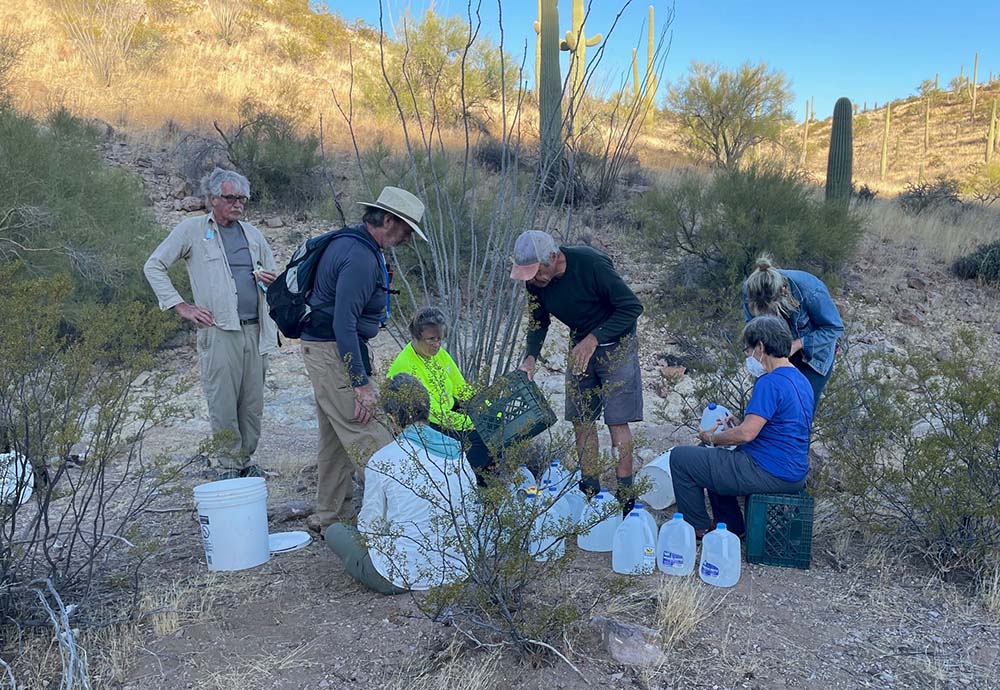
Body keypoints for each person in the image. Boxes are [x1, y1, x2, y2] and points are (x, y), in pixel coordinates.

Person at [300, 187, 427, 533]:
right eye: (405, 231)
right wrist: (360, 383)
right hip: (333, 352)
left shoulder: (352, 244)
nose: (407, 240)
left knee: (335, 437)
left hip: (326, 350)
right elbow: (344, 322)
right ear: (387, 221)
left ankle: (330, 515)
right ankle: (405, 517)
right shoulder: (359, 257)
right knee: (367, 432)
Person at [144, 168, 278, 479]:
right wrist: (181, 306)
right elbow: (154, 265)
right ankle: (229, 466)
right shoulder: (192, 230)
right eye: (231, 198)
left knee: (252, 403)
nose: (238, 205)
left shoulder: (253, 235)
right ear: (212, 199)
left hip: (256, 330)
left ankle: (246, 462)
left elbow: (274, 278)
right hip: (219, 331)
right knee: (223, 400)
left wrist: (271, 281)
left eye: (242, 199)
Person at [510, 230, 644, 510]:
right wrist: (530, 357)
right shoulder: (535, 284)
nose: (533, 280)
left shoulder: (591, 264)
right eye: (528, 275)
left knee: (617, 420)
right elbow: (538, 322)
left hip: (616, 344)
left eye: (535, 272)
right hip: (581, 344)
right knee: (581, 418)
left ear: (553, 258)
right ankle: (590, 490)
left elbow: (631, 307)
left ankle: (626, 495)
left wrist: (594, 339)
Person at [325, 373, 477, 594]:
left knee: (336, 532)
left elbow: (370, 526)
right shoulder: (457, 451)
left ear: (393, 419)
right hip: (460, 568)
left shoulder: (382, 459)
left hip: (399, 577)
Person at [669, 316, 814, 537]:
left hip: (769, 471)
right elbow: (782, 426)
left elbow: (746, 434)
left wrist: (711, 438)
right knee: (714, 458)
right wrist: (738, 425)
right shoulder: (801, 379)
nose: (748, 357)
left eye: (748, 350)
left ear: (761, 347)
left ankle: (696, 528)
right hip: (793, 471)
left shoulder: (769, 382)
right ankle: (730, 526)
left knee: (681, 458)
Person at [386, 307, 494, 482]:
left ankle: (487, 484)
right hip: (427, 421)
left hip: (450, 411)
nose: (436, 344)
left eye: (439, 339)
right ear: (416, 337)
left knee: (496, 428)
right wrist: (471, 423)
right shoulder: (406, 365)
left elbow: (461, 388)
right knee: (482, 438)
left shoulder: (440, 354)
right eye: (430, 340)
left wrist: (487, 409)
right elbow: (433, 412)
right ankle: (466, 483)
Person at [742, 254, 843, 406]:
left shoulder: (811, 290)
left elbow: (834, 327)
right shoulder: (751, 291)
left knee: (800, 405)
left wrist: (796, 345)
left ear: (783, 291)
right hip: (774, 353)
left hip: (813, 358)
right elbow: (753, 326)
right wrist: (753, 352)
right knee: (763, 402)